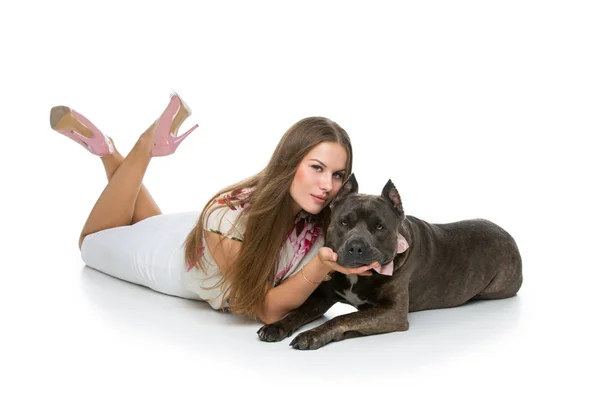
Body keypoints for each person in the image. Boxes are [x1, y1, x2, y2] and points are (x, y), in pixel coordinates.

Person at [49, 92, 381, 324]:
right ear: (291, 162)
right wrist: (323, 267)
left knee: (145, 218)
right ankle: (145, 146)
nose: (328, 186)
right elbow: (265, 310)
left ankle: (106, 152)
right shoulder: (226, 217)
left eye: (338, 175)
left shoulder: (326, 220)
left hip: (187, 230)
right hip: (169, 259)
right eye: (317, 168)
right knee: (90, 243)